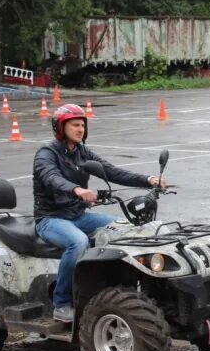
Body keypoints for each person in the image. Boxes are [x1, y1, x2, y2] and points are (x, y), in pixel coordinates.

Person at [33, 104, 164, 322]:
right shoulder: (46, 153)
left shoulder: (82, 152)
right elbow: (51, 177)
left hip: (79, 215)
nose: (80, 129)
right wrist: (76, 189)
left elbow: (111, 171)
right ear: (61, 127)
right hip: (51, 218)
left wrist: (148, 180)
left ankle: (112, 289)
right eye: (75, 125)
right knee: (78, 242)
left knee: (124, 229)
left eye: (82, 125)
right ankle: (62, 302)